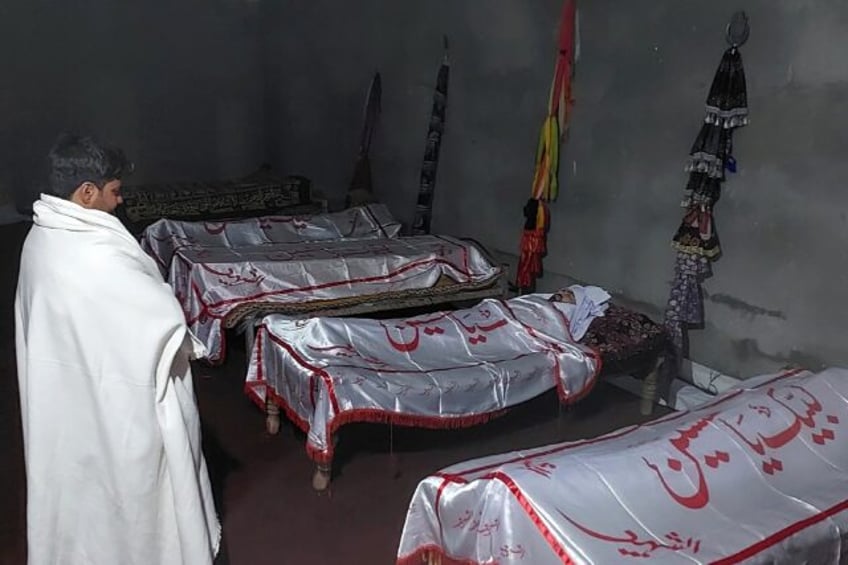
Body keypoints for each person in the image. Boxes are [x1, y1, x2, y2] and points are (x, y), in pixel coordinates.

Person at [15, 133, 220, 564]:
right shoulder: (94, 254)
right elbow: (161, 324)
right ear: (86, 193)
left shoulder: (41, 239)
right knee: (132, 503)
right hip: (115, 409)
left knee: (82, 502)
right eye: (113, 191)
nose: (119, 201)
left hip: (70, 404)